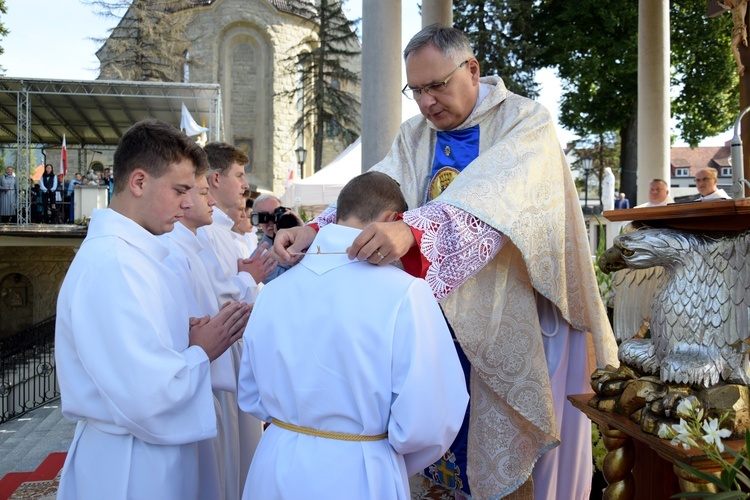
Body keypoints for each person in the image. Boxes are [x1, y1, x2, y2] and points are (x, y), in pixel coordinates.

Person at [275, 24, 618, 499]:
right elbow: (375, 190)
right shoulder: (415, 135)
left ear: (472, 70)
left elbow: (496, 198)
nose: (426, 102)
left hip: (503, 320)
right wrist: (314, 229)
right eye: (415, 90)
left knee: (497, 458)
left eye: (436, 85)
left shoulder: (524, 122)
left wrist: (414, 232)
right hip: (428, 324)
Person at [238, 171, 468, 499]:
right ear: (392, 220)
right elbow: (431, 419)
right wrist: (383, 457)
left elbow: (250, 393)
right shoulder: (405, 293)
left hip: (276, 462)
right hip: (359, 471)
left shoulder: (274, 292)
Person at [55, 118, 252, 500]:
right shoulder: (113, 263)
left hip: (150, 451)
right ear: (139, 182)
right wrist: (201, 350)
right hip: (129, 465)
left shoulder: (137, 253)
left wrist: (185, 339)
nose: (187, 202)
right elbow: (144, 392)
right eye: (179, 189)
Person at [249, 193, 300, 283]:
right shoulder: (259, 258)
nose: (271, 223)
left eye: (276, 215)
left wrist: (301, 229)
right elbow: (292, 282)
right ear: (259, 223)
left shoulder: (299, 236)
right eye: (264, 217)